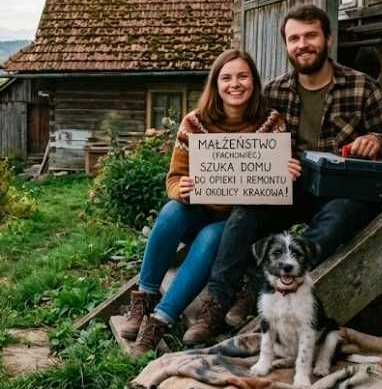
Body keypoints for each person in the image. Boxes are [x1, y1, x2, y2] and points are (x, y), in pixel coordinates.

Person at [183, 4, 382, 345]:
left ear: (328, 39)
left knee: (342, 214)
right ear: (286, 45)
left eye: (310, 36)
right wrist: (212, 167)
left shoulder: (363, 87)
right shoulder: (273, 91)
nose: (302, 45)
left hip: (339, 188)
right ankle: (217, 301)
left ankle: (281, 290)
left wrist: (375, 139)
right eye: (294, 39)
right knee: (246, 211)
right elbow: (239, 135)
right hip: (291, 185)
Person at [122, 48, 298, 357]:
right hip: (197, 209)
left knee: (211, 236)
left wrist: (286, 172)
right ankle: (143, 299)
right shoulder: (194, 123)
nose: (235, 84)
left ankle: (160, 319)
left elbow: (275, 187)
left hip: (234, 223)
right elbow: (174, 178)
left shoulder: (272, 124)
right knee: (170, 211)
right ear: (215, 84)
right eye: (226, 78)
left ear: (254, 83)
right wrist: (182, 188)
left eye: (242, 76)